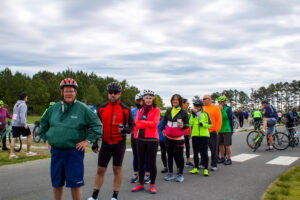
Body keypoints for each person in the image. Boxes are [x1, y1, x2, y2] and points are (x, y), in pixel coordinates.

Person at [39, 78, 102, 200]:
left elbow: (97, 125)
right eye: (66, 91)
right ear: (62, 92)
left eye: (72, 91)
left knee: (75, 183)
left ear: (75, 93)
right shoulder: (53, 108)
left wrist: (87, 141)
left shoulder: (83, 108)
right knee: (56, 183)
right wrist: (46, 139)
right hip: (56, 152)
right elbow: (43, 123)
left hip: (74, 152)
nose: (69, 93)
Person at [88, 82, 134, 200]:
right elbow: (96, 126)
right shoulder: (102, 108)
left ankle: (115, 196)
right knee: (100, 169)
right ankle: (94, 195)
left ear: (120, 94)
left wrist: (125, 130)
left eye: (115, 93)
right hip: (105, 143)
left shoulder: (125, 109)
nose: (113, 95)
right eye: (110, 93)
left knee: (117, 169)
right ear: (108, 93)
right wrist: (94, 142)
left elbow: (132, 126)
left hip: (119, 143)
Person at [131, 89, 160, 194]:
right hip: (140, 139)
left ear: (153, 99)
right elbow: (136, 123)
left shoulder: (156, 110)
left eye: (150, 98)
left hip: (152, 139)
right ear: (143, 99)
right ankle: (140, 184)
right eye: (146, 98)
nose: (148, 99)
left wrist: (143, 122)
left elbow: (155, 124)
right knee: (141, 162)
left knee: (152, 163)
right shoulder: (140, 110)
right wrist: (147, 122)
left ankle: (152, 184)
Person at [161, 94, 189, 182]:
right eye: (173, 99)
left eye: (177, 100)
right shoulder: (169, 110)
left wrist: (183, 126)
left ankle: (180, 174)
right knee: (169, 156)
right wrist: (162, 129)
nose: (175, 101)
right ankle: (170, 173)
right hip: (168, 137)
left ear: (180, 101)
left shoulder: (183, 112)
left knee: (179, 156)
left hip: (179, 138)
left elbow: (187, 125)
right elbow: (164, 120)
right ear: (171, 101)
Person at [130, 93, 150, 184]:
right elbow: (130, 123)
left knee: (146, 155)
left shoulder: (147, 110)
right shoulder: (133, 111)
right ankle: (135, 174)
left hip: (144, 135)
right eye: (138, 101)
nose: (140, 102)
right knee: (135, 155)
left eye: (141, 100)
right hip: (135, 136)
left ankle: (147, 174)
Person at [189, 100, 212, 176]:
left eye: (197, 106)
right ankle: (196, 168)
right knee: (195, 153)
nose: (196, 107)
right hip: (195, 135)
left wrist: (202, 124)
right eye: (195, 106)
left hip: (204, 136)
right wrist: (193, 115)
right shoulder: (192, 114)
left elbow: (210, 125)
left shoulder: (205, 114)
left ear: (201, 107)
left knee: (204, 152)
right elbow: (190, 123)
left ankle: (206, 169)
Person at [10, 93, 36, 159]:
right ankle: (28, 152)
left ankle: (12, 154)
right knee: (29, 135)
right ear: (24, 98)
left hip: (14, 123)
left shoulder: (16, 104)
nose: (27, 99)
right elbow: (22, 115)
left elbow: (14, 114)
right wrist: (24, 124)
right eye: (26, 97)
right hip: (21, 124)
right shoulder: (23, 105)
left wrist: (14, 122)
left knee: (14, 138)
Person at [203, 94, 222, 171]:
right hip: (204, 132)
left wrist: (216, 130)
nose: (203, 100)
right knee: (203, 149)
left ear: (209, 99)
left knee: (213, 149)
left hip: (212, 132)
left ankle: (214, 164)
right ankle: (203, 162)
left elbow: (219, 120)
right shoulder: (203, 108)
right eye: (203, 99)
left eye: (204, 99)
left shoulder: (215, 108)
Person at [217, 96, 234, 165]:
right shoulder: (218, 109)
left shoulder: (228, 108)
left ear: (224, 102)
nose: (220, 103)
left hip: (227, 129)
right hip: (220, 129)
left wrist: (221, 110)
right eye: (219, 102)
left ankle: (229, 159)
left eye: (221, 102)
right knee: (220, 145)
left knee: (227, 145)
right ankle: (222, 157)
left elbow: (227, 117)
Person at [182, 98, 193, 168]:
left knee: (188, 147)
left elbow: (189, 124)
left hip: (187, 133)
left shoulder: (188, 113)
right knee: (180, 148)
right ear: (182, 104)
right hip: (181, 133)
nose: (188, 105)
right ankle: (180, 163)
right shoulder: (180, 112)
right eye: (187, 103)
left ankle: (188, 161)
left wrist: (190, 133)